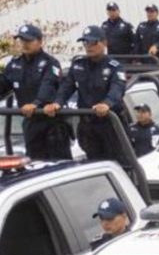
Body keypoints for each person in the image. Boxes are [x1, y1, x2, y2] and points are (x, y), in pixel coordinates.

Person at [0, 23, 70, 161]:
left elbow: (48, 86)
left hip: (52, 122)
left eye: (29, 40)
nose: (25, 44)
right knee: (34, 162)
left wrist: (36, 104)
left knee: (58, 164)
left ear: (40, 41)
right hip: (31, 122)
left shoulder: (50, 63)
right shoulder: (15, 63)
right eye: (22, 40)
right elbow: (2, 83)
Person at [44, 26, 129, 168]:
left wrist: (106, 103)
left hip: (110, 124)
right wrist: (57, 102)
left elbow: (117, 88)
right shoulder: (78, 65)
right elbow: (67, 86)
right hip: (88, 125)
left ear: (104, 43)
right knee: (93, 164)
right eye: (85, 42)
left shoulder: (114, 67)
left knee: (118, 163)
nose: (89, 46)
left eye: (93, 42)